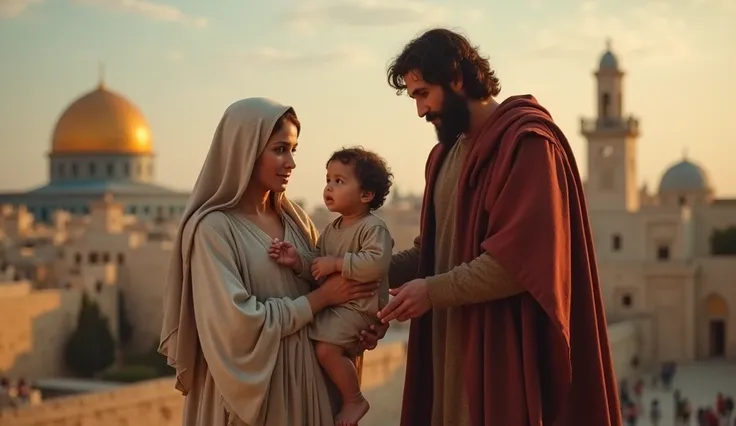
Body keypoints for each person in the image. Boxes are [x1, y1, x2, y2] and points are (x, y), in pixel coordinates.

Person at [377, 28, 622, 425]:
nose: (420, 111)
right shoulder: (444, 155)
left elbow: (517, 262)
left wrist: (431, 291)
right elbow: (434, 251)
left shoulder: (526, 143)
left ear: (457, 79)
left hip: (502, 356)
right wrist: (364, 272)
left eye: (423, 94)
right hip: (448, 355)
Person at [158, 97, 381, 426]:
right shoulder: (213, 230)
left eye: (293, 150)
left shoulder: (297, 221)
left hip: (309, 393)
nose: (290, 162)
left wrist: (357, 325)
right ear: (245, 150)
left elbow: (333, 289)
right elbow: (236, 325)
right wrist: (322, 299)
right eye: (279, 149)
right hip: (253, 401)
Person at [269, 147, 394, 426]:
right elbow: (318, 267)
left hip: (361, 308)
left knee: (326, 349)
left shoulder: (373, 228)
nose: (329, 187)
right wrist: (297, 261)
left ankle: (354, 399)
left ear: (366, 195)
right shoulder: (332, 229)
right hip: (342, 307)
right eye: (328, 179)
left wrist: (337, 264)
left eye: (339, 181)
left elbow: (375, 264)